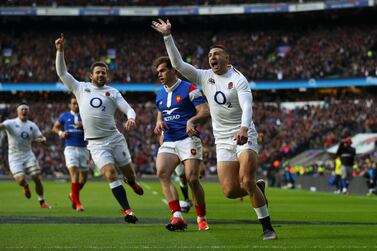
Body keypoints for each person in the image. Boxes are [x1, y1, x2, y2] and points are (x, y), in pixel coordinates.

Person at [152, 19, 277, 240]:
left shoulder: (238, 80)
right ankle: (257, 188)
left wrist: (244, 129)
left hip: (243, 134)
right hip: (222, 139)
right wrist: (167, 36)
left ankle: (267, 227)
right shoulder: (203, 76)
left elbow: (248, 106)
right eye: (210, 55)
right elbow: (179, 65)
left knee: (246, 180)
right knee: (230, 191)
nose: (212, 58)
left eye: (216, 54)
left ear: (227, 58)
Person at [55, 33, 143, 223]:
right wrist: (60, 51)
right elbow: (62, 73)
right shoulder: (80, 88)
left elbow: (128, 108)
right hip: (96, 144)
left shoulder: (113, 92)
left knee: (129, 174)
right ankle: (128, 210)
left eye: (104, 72)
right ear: (91, 75)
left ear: (107, 75)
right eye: (98, 72)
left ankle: (132, 182)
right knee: (110, 173)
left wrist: (131, 118)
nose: (101, 74)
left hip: (115, 138)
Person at [153, 56, 210, 231]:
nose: (160, 75)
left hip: (188, 139)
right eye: (158, 72)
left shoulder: (190, 88)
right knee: (162, 173)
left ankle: (201, 216)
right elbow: (161, 112)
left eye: (162, 70)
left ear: (173, 70)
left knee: (192, 178)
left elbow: (205, 111)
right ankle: (177, 216)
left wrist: (191, 120)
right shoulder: (160, 94)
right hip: (169, 140)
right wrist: (158, 123)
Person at [0, 103, 51, 209]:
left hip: (28, 155)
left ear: (28, 111)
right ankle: (25, 186)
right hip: (14, 156)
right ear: (18, 112)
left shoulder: (32, 125)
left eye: (25, 109)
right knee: (20, 180)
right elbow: (1, 126)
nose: (24, 111)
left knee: (36, 177)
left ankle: (42, 202)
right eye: (21, 109)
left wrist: (43, 140)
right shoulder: (10, 123)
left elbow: (41, 137)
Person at [52, 96, 89, 211]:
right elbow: (55, 128)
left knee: (84, 179)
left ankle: (73, 195)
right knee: (75, 175)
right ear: (70, 105)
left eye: (77, 103)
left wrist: (84, 125)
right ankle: (78, 204)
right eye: (74, 103)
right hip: (70, 149)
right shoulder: (64, 116)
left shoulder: (85, 115)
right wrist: (61, 133)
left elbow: (94, 128)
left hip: (84, 148)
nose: (76, 105)